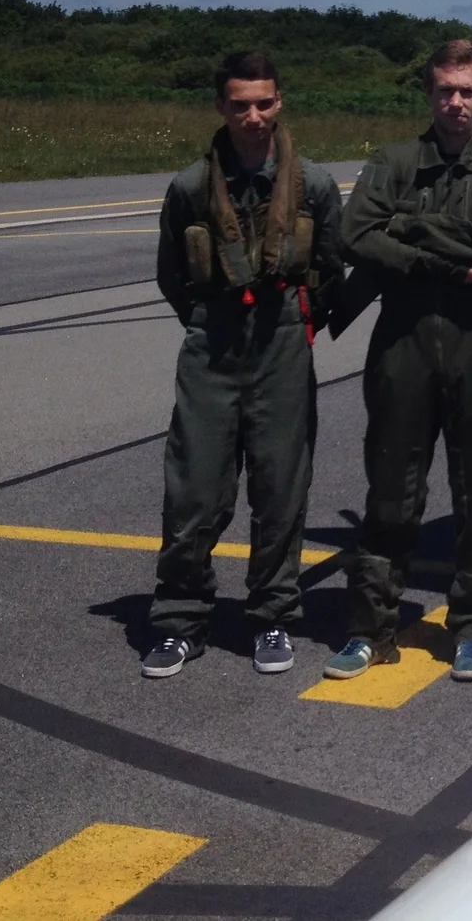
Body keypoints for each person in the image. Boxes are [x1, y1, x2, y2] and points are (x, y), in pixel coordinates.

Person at [326, 39, 472, 683]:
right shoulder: (392, 163)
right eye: (445, 90)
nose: (456, 102)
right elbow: (355, 234)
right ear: (429, 93)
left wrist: (408, 226)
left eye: (468, 91)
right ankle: (370, 628)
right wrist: (436, 261)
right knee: (391, 490)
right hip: (404, 343)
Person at [142, 51, 343, 678]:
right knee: (194, 490)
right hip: (214, 344)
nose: (252, 116)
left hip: (282, 343)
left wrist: (299, 326)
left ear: (279, 102)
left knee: (281, 488)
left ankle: (272, 616)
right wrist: (208, 322)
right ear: (220, 107)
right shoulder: (189, 187)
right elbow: (172, 274)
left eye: (263, 103)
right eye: (239, 105)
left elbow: (331, 267)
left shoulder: (312, 185)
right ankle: (179, 619)